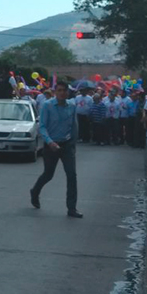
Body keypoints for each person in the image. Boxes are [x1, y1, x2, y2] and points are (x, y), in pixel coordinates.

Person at [30, 81, 82, 218]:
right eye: (59, 90)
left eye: (64, 90)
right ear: (55, 92)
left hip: (67, 145)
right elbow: (42, 126)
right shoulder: (47, 106)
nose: (62, 93)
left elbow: (74, 125)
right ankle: (35, 191)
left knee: (72, 175)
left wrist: (73, 143)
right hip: (51, 145)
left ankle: (72, 208)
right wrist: (50, 142)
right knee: (48, 174)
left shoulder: (71, 106)